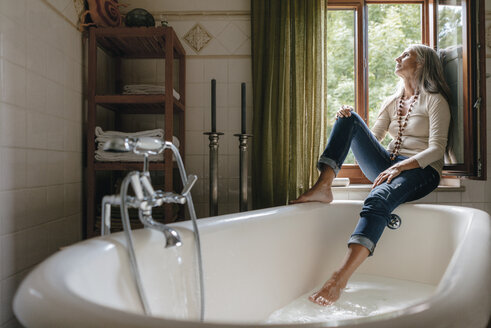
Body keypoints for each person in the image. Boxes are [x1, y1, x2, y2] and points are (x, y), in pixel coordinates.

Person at [291, 44, 451, 306]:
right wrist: (349, 123)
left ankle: (338, 279)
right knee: (348, 117)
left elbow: (436, 150)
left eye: (406, 55)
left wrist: (401, 166)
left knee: (377, 200)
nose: (398, 58)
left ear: (421, 63)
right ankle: (324, 186)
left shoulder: (435, 100)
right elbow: (373, 139)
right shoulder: (391, 101)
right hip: (388, 163)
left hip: (420, 170)